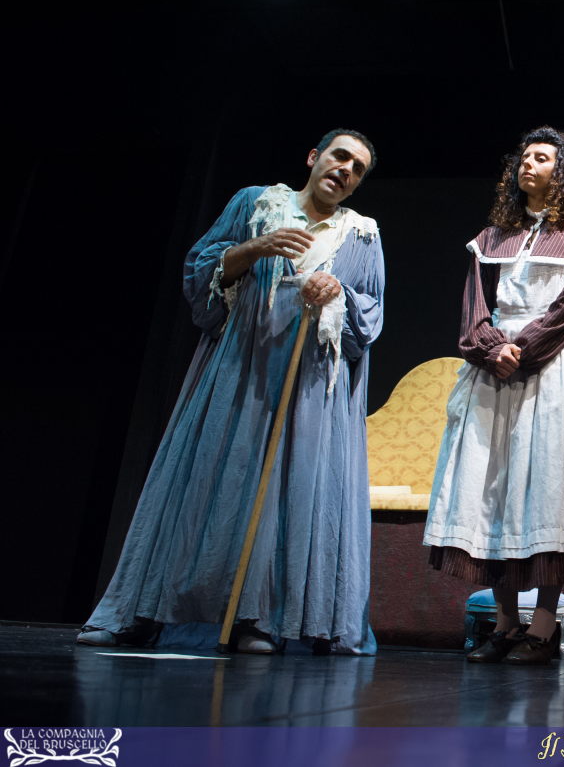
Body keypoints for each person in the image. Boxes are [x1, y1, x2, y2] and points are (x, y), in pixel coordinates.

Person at [77, 129, 384, 655]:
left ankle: (258, 620)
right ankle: (141, 612)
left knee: (288, 495)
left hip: (308, 385)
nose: (345, 170)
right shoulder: (256, 203)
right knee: (202, 484)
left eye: (357, 169)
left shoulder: (362, 235)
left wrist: (338, 292)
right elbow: (202, 271)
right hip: (242, 365)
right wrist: (257, 247)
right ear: (314, 157)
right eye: (339, 157)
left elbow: (370, 315)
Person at [423, 126, 564, 665]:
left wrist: (524, 349)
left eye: (541, 158)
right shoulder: (492, 237)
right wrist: (491, 349)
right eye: (524, 157)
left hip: (556, 367)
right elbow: (474, 307)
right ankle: (506, 623)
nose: (527, 164)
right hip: (494, 371)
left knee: (551, 489)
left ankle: (544, 626)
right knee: (494, 488)